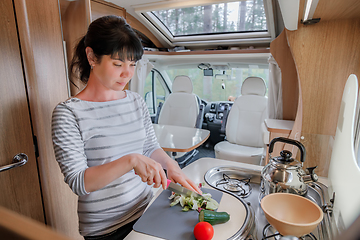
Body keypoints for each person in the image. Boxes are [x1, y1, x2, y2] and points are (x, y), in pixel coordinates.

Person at [51, 15, 201, 240]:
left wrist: (171, 166)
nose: (127, 73)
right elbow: (79, 181)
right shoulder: (68, 113)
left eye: (132, 64)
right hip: (106, 228)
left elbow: (150, 146)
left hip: (147, 209)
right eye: (118, 64)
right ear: (92, 56)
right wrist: (131, 160)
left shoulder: (134, 101)